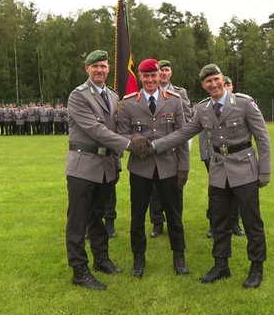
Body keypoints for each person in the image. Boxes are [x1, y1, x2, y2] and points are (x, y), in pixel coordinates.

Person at [148, 63, 271, 289]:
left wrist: (264, 170)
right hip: (218, 172)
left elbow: (262, 138)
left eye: (216, 79)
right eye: (208, 82)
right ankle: (221, 265)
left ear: (223, 80)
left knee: (252, 221)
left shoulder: (243, 103)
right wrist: (155, 145)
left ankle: (256, 267)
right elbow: (183, 133)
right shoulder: (203, 109)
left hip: (244, 169)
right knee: (218, 220)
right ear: (203, 86)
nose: (213, 84)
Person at [65, 49, 149, 290]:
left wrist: (134, 135)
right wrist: (128, 144)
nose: (99, 70)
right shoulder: (78, 96)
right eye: (95, 66)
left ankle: (101, 260)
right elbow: (95, 130)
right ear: (87, 69)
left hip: (105, 167)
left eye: (103, 66)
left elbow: (118, 127)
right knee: (78, 220)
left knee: (98, 218)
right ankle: (79, 270)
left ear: (109, 68)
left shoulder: (113, 96)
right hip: (83, 166)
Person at [117, 58, 190, 278]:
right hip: (140, 168)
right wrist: (133, 138)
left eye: (154, 75)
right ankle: (138, 258)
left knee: (174, 216)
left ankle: (179, 256)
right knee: (137, 216)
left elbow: (182, 135)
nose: (150, 80)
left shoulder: (174, 101)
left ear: (160, 76)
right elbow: (120, 134)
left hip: (168, 166)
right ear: (140, 77)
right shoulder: (129, 102)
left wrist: (183, 168)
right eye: (146, 76)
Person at [148, 59, 193, 238]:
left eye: (167, 70)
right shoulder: (149, 93)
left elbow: (188, 117)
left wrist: (182, 140)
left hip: (175, 147)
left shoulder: (180, 93)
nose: (164, 73)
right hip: (155, 148)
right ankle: (157, 222)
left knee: (176, 187)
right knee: (154, 188)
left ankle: (176, 220)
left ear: (170, 73)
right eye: (161, 70)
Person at [202, 75, 245, 238]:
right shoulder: (205, 108)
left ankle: (235, 222)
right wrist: (206, 157)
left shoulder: (241, 105)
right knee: (216, 194)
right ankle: (214, 225)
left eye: (228, 84)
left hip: (238, 162)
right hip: (216, 160)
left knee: (237, 194)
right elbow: (201, 136)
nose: (224, 86)